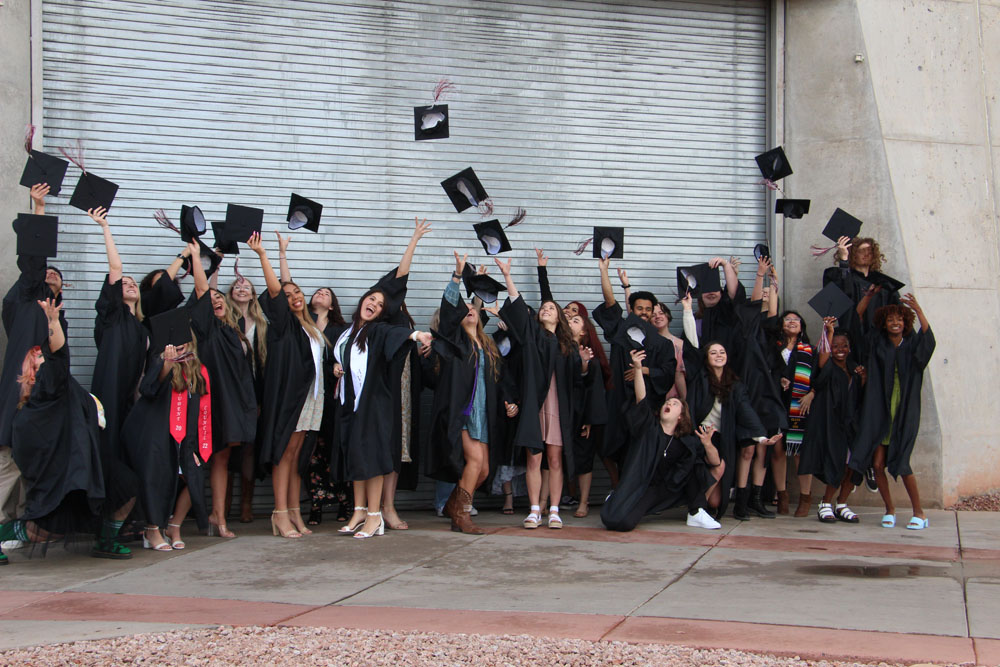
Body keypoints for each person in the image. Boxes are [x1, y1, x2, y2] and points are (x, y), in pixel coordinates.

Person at [0, 299, 125, 560]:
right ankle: (5, 533)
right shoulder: (48, 385)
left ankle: (106, 539)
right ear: (32, 368)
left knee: (126, 486)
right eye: (38, 356)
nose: (43, 355)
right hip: (60, 468)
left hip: (80, 461)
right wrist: (53, 322)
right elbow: (58, 355)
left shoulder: (58, 386)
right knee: (49, 529)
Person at [332, 279, 433, 539]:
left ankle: (375, 516)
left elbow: (394, 334)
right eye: (371, 299)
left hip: (374, 402)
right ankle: (359, 510)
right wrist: (336, 367)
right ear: (363, 300)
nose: (374, 304)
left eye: (379, 305)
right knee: (357, 455)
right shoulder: (348, 331)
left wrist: (417, 335)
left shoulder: (376, 331)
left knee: (373, 457)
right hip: (351, 403)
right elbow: (341, 357)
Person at [1, 184, 68, 561]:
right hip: (18, 396)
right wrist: (39, 207)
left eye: (57, 277)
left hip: (44, 405)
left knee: (31, 465)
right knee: (7, 464)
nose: (52, 277)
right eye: (48, 274)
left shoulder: (56, 320)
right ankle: (3, 524)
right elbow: (33, 258)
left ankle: (25, 525)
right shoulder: (27, 300)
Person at [496, 256, 588, 530]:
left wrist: (583, 363)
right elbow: (519, 309)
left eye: (551, 307)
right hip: (535, 407)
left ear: (559, 316)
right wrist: (508, 277)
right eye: (543, 307)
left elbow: (576, 381)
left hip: (558, 409)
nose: (546, 309)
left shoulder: (567, 346)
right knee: (533, 458)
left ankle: (555, 510)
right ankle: (535, 509)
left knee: (555, 459)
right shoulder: (532, 336)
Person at [249, 232, 329, 538]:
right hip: (290, 398)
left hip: (312, 397)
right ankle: (279, 513)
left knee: (297, 456)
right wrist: (265, 256)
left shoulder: (310, 327)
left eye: (297, 291)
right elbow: (276, 289)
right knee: (285, 453)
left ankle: (294, 511)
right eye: (288, 293)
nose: (293, 295)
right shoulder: (283, 325)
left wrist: (284, 254)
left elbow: (285, 284)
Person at [121, 293, 212, 552]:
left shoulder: (197, 368)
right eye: (174, 342)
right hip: (152, 432)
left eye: (183, 341)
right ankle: (152, 530)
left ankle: (174, 526)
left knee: (191, 476)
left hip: (182, 436)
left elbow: (199, 409)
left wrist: (196, 444)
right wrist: (166, 365)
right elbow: (148, 389)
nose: (179, 345)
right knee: (154, 478)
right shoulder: (159, 360)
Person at [428, 252, 507, 533]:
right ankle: (461, 515)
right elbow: (450, 307)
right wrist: (458, 276)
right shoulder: (455, 342)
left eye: (473, 308)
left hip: (484, 412)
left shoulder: (487, 345)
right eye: (465, 310)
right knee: (474, 462)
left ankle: (452, 504)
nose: (469, 311)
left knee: (484, 470)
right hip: (462, 410)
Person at [601, 349, 723, 532]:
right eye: (668, 403)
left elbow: (714, 463)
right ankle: (617, 498)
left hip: (667, 488)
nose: (669, 404)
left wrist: (707, 443)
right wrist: (638, 368)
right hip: (643, 486)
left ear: (681, 417)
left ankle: (696, 512)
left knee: (695, 462)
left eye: (675, 404)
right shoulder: (649, 428)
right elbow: (642, 399)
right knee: (620, 522)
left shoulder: (685, 441)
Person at [681, 294, 778, 519]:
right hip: (700, 435)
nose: (718, 355)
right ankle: (694, 508)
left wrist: (762, 437)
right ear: (706, 358)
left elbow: (746, 411)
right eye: (713, 352)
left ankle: (703, 506)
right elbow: (692, 342)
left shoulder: (735, 385)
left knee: (716, 501)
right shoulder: (699, 376)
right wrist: (687, 309)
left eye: (722, 352)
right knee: (710, 471)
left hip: (722, 437)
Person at [187, 243, 257, 539]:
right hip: (208, 401)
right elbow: (204, 292)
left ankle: (218, 515)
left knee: (223, 458)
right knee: (198, 458)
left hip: (234, 401)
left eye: (219, 297)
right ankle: (179, 518)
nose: (214, 299)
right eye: (210, 297)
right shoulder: (204, 329)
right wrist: (199, 258)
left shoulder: (234, 329)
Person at [849, 294, 935, 530]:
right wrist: (866, 297)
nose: (895, 323)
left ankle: (919, 513)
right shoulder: (877, 343)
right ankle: (890, 509)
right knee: (877, 465)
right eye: (890, 320)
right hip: (879, 409)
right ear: (884, 323)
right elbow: (856, 323)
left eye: (899, 319)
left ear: (906, 322)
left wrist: (918, 310)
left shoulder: (912, 343)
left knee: (902, 463)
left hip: (904, 410)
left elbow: (929, 342)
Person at [592, 257, 676, 471]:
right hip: (619, 403)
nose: (645, 313)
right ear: (632, 310)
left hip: (646, 407)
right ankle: (618, 490)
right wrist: (604, 271)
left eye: (648, 309)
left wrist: (645, 370)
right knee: (613, 450)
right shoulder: (622, 333)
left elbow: (668, 372)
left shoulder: (663, 344)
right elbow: (611, 306)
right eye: (640, 309)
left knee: (643, 453)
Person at [799, 317, 866, 523]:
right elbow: (823, 357)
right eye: (836, 345)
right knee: (836, 464)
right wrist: (828, 332)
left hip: (851, 425)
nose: (840, 349)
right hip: (831, 424)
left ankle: (842, 503)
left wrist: (862, 379)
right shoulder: (828, 367)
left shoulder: (854, 370)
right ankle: (826, 503)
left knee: (852, 465)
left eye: (844, 346)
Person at [225, 270, 268, 523]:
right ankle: (225, 504)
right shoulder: (224, 318)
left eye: (247, 287)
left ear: (253, 295)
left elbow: (264, 364)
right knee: (228, 448)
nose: (242, 289)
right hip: (230, 390)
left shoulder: (261, 323)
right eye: (237, 286)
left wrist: (261, 398)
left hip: (253, 390)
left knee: (250, 448)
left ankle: (246, 504)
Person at [765, 309, 815, 517]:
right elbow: (767, 370)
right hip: (778, 401)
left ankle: (805, 497)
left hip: (801, 404)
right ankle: (782, 495)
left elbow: (820, 374)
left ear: (802, 325)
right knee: (777, 449)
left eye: (796, 319)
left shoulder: (809, 349)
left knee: (800, 451)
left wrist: (812, 393)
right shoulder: (773, 347)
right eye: (788, 319)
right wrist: (779, 379)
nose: (792, 321)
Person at [823, 236, 900, 364]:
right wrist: (844, 260)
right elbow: (838, 299)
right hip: (851, 339)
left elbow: (898, 312)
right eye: (861, 251)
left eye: (869, 251)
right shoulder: (838, 275)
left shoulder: (883, 284)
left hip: (879, 344)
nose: (866, 254)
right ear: (852, 253)